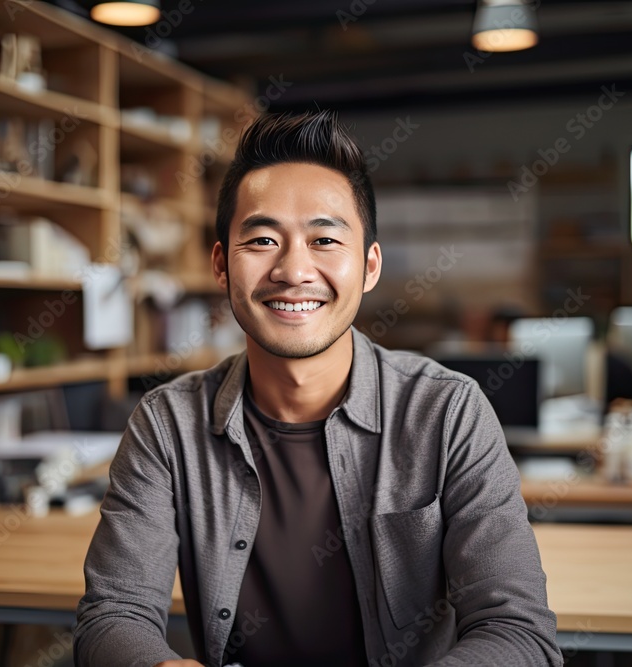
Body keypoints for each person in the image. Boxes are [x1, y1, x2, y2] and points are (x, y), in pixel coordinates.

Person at [74, 111, 562, 667]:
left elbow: (517, 631)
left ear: (369, 265)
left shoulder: (447, 411)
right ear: (220, 265)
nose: (293, 269)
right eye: (262, 239)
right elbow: (113, 615)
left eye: (325, 239)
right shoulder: (167, 424)